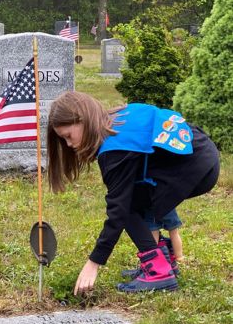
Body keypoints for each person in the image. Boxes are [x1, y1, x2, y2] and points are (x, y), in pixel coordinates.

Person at [47, 91, 220, 295]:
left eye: (68, 136)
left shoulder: (114, 150)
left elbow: (117, 213)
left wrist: (94, 263)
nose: (68, 144)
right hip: (204, 153)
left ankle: (159, 271)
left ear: (82, 119)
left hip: (196, 166)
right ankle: (163, 260)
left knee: (125, 206)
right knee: (133, 195)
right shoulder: (118, 118)